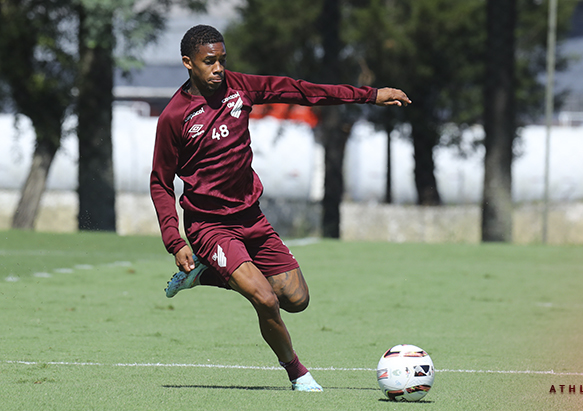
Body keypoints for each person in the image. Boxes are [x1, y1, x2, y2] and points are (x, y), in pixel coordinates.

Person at [150, 24, 411, 392]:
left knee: (296, 299)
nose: (219, 68)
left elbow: (301, 91)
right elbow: (160, 182)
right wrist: (174, 240)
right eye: (209, 62)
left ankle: (204, 275)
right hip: (209, 226)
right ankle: (297, 373)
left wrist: (369, 95)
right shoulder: (174, 117)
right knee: (265, 298)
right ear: (188, 63)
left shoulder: (240, 87)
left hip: (250, 216)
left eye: (222, 60)